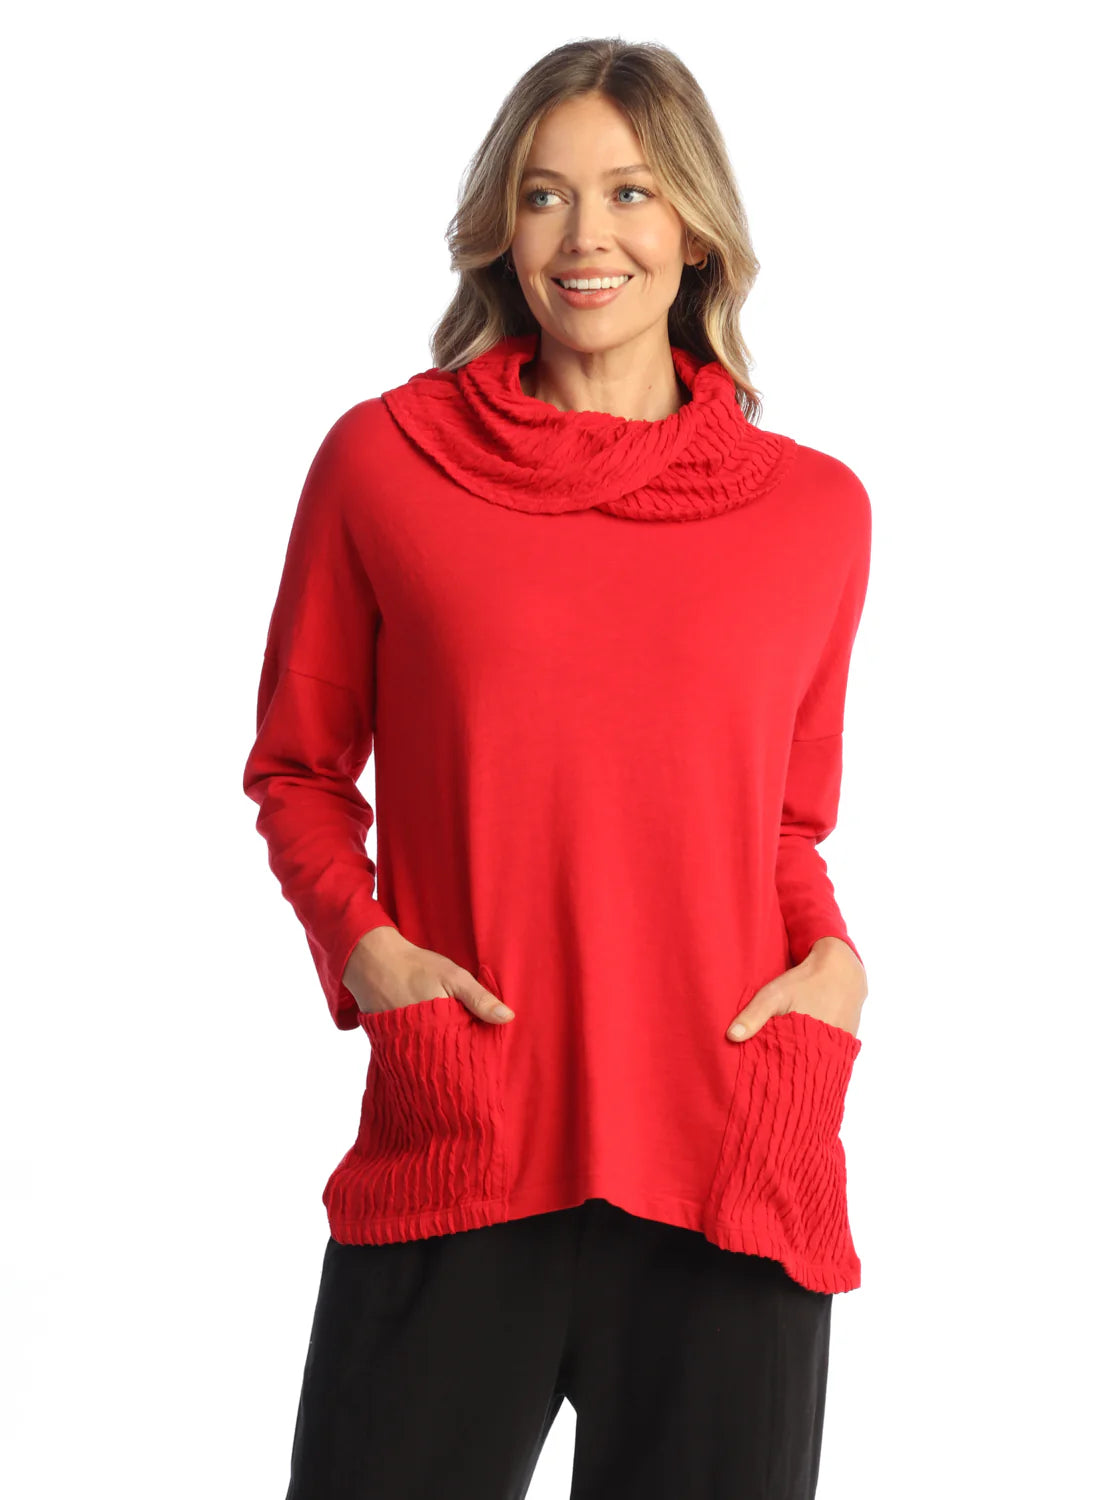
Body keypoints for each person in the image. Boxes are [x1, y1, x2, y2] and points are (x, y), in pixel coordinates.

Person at [243, 36, 873, 1500]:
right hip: (468, 1133)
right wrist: (368, 953)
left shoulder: (816, 514)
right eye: (545, 195)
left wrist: (834, 964)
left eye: (632, 192)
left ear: (697, 230)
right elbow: (298, 770)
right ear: (502, 228)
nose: (589, 236)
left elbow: (783, 827)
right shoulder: (385, 466)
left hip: (726, 1162)